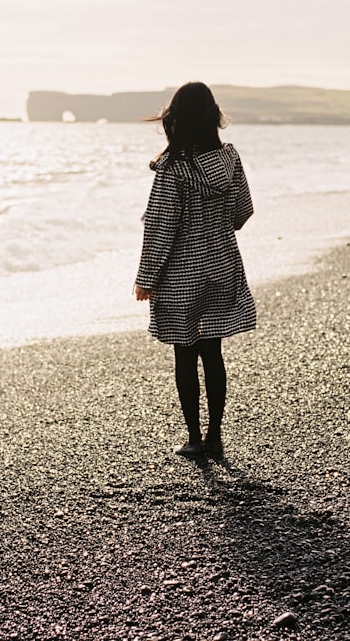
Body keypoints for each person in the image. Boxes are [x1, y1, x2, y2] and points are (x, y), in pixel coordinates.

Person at [134, 82, 256, 459]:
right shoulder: (230, 159)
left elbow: (160, 226)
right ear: (211, 116)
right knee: (213, 352)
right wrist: (215, 224)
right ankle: (216, 437)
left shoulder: (174, 168)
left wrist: (146, 277)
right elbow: (241, 213)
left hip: (181, 273)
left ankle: (193, 439)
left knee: (184, 356)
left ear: (177, 118)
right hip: (222, 265)